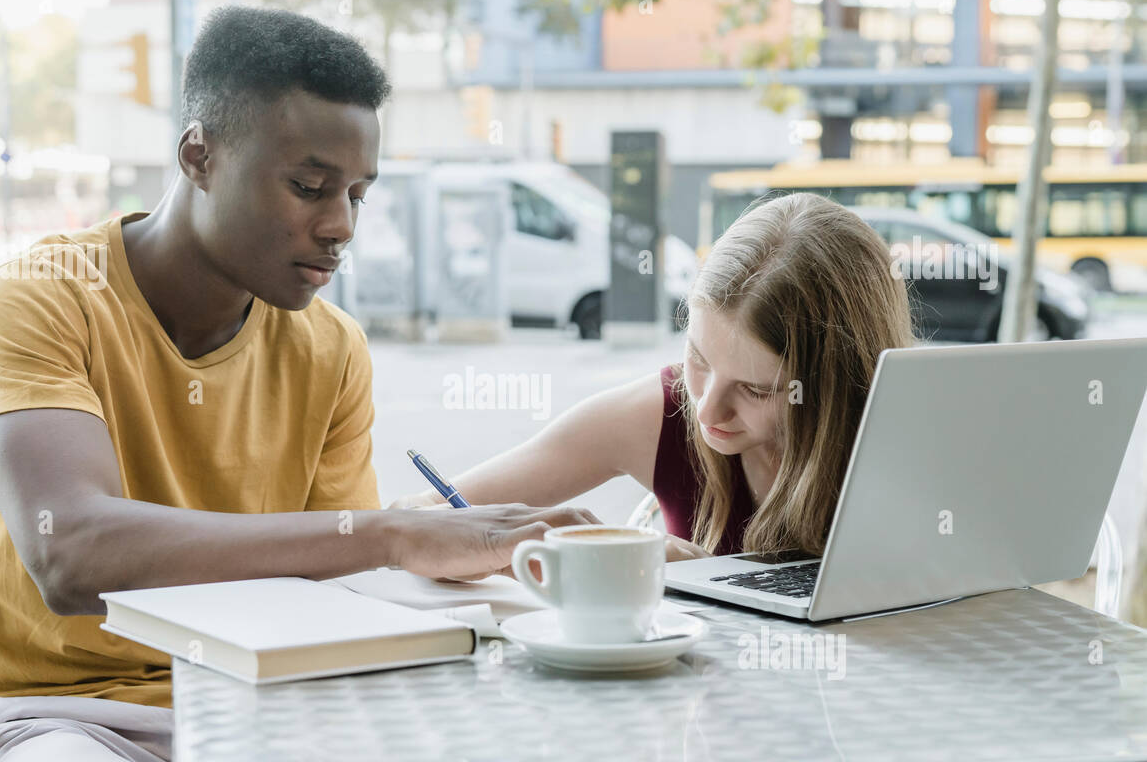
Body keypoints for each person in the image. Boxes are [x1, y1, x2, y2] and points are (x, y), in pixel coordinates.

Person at [0, 6, 598, 762]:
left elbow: (334, 579)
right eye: (310, 188)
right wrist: (387, 533)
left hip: (265, 704)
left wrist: (496, 587)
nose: (341, 226)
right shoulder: (41, 298)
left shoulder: (332, 350)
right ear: (197, 156)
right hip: (60, 719)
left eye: (357, 194)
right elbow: (72, 556)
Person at [393, 192, 917, 562]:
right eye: (699, 360)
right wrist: (596, 561)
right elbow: (411, 523)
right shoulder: (658, 412)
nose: (707, 410)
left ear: (837, 382)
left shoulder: (907, 427)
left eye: (756, 389)